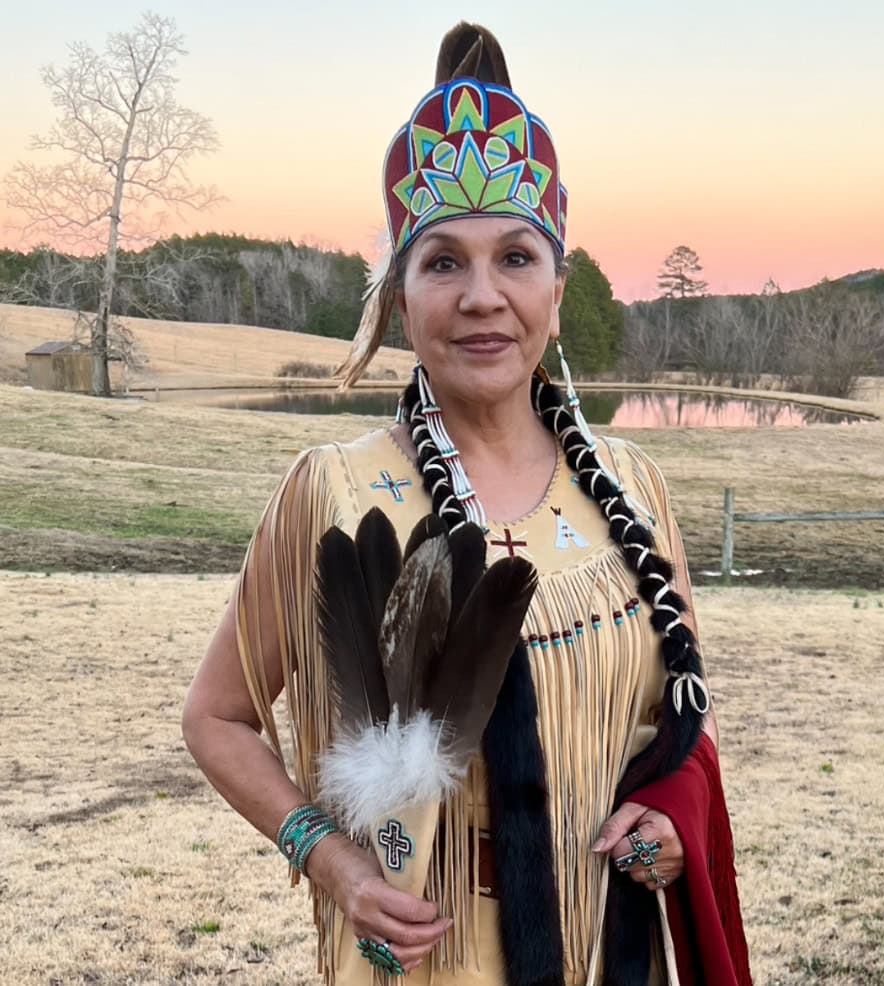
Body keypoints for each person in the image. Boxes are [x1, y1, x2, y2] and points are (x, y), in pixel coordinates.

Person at [182, 22, 751, 986]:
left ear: (558, 290)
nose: (482, 296)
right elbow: (218, 719)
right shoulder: (332, 492)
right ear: (401, 299)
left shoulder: (631, 486)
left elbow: (681, 725)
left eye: (516, 259)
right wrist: (334, 863)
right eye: (443, 261)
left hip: (612, 957)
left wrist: (671, 826)